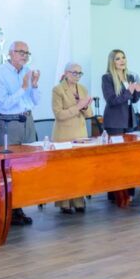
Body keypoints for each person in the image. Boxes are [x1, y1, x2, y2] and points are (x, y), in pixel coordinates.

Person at [0, 40, 41, 224]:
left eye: (27, 53)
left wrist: (34, 85)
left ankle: (19, 205)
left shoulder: (28, 72)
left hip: (28, 120)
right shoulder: (0, 74)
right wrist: (23, 88)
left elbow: (35, 101)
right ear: (10, 53)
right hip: (9, 122)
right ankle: (9, 210)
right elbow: (4, 103)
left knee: (26, 166)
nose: (24, 56)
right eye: (21, 52)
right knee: (9, 167)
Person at [101, 50, 140, 200]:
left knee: (129, 159)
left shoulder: (130, 77)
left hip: (129, 122)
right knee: (116, 160)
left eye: (123, 57)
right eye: (118, 58)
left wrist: (139, 91)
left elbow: (133, 99)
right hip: (115, 123)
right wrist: (129, 91)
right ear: (112, 62)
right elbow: (112, 100)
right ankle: (115, 194)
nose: (122, 61)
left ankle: (129, 192)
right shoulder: (107, 78)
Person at [51, 62, 94, 214]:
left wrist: (85, 106)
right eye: (74, 73)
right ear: (66, 73)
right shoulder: (58, 90)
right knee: (65, 170)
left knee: (79, 169)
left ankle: (78, 200)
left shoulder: (82, 89)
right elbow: (59, 115)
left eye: (80, 73)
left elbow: (89, 114)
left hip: (80, 134)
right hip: (64, 135)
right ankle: (64, 203)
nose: (77, 76)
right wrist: (78, 107)